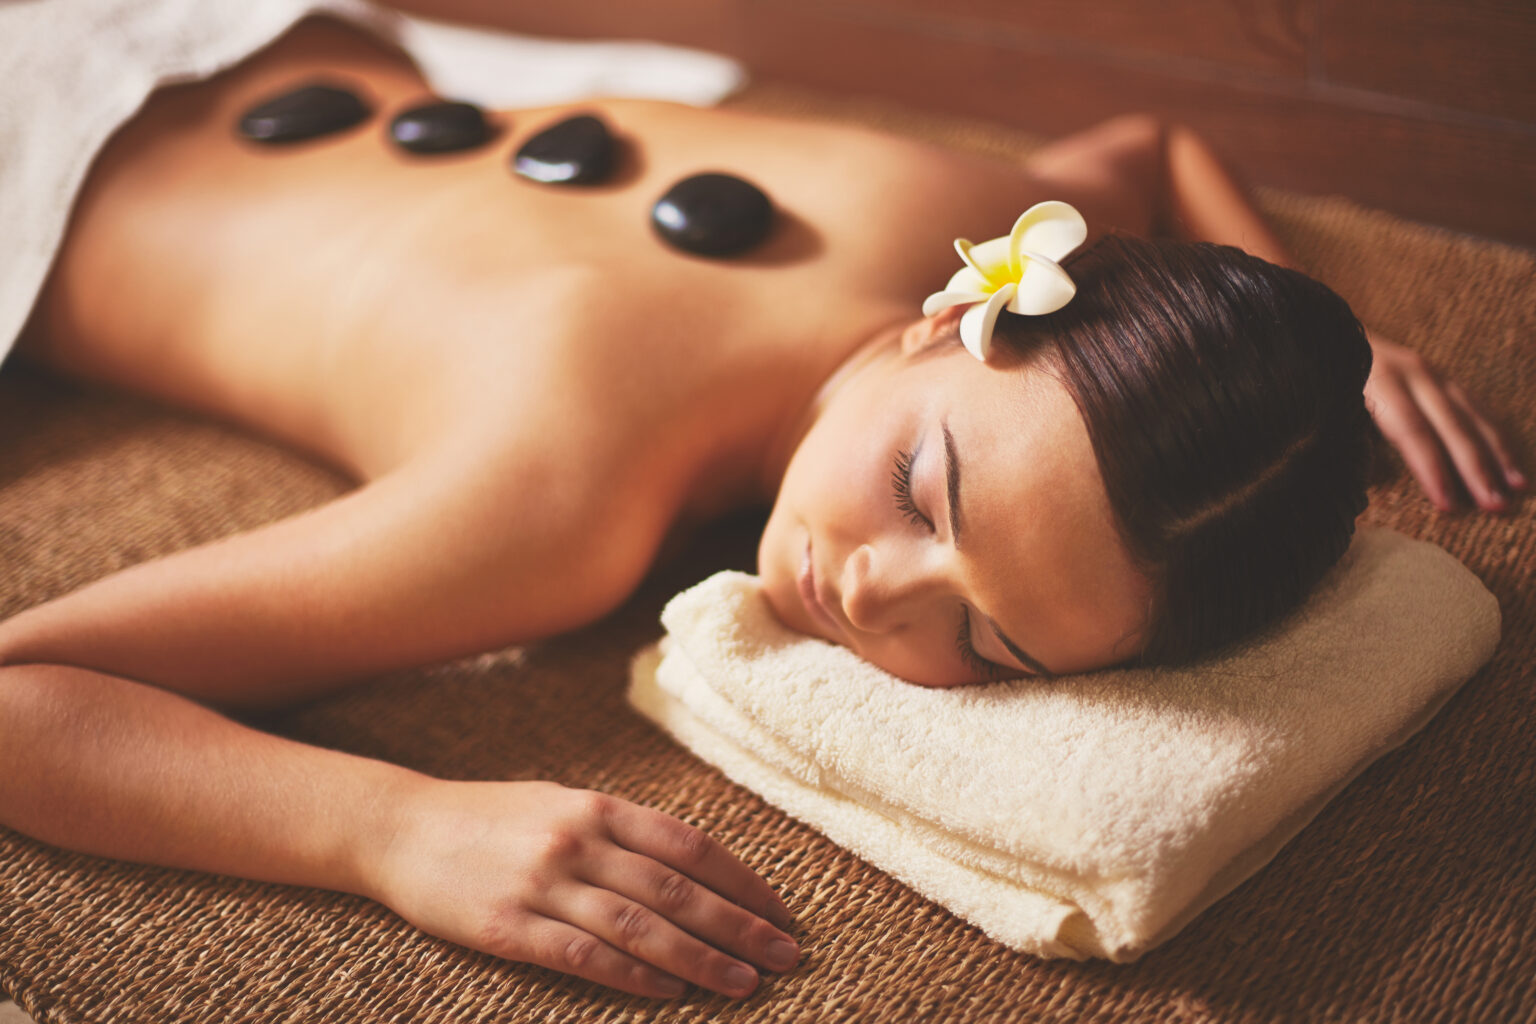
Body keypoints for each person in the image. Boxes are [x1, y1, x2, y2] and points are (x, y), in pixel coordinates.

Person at [0, 14, 1522, 1002]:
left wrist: (1315, 352)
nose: (874, 593)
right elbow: (25, 695)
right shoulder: (562, 502)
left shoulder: (958, 228)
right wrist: (389, 828)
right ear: (949, 319)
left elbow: (1150, 158)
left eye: (983, 644)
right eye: (924, 488)